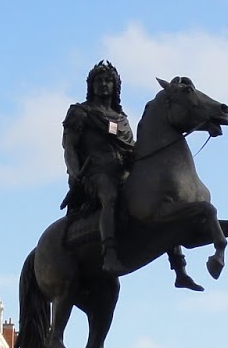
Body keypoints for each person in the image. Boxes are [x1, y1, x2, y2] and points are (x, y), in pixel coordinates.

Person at [60, 61, 202, 288]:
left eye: (108, 81)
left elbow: (130, 148)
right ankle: (109, 254)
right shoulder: (81, 112)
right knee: (110, 197)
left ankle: (179, 269)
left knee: (162, 200)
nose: (104, 85)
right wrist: (76, 174)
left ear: (115, 86)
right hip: (96, 173)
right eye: (99, 81)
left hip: (123, 171)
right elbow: (69, 147)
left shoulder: (121, 119)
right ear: (91, 85)